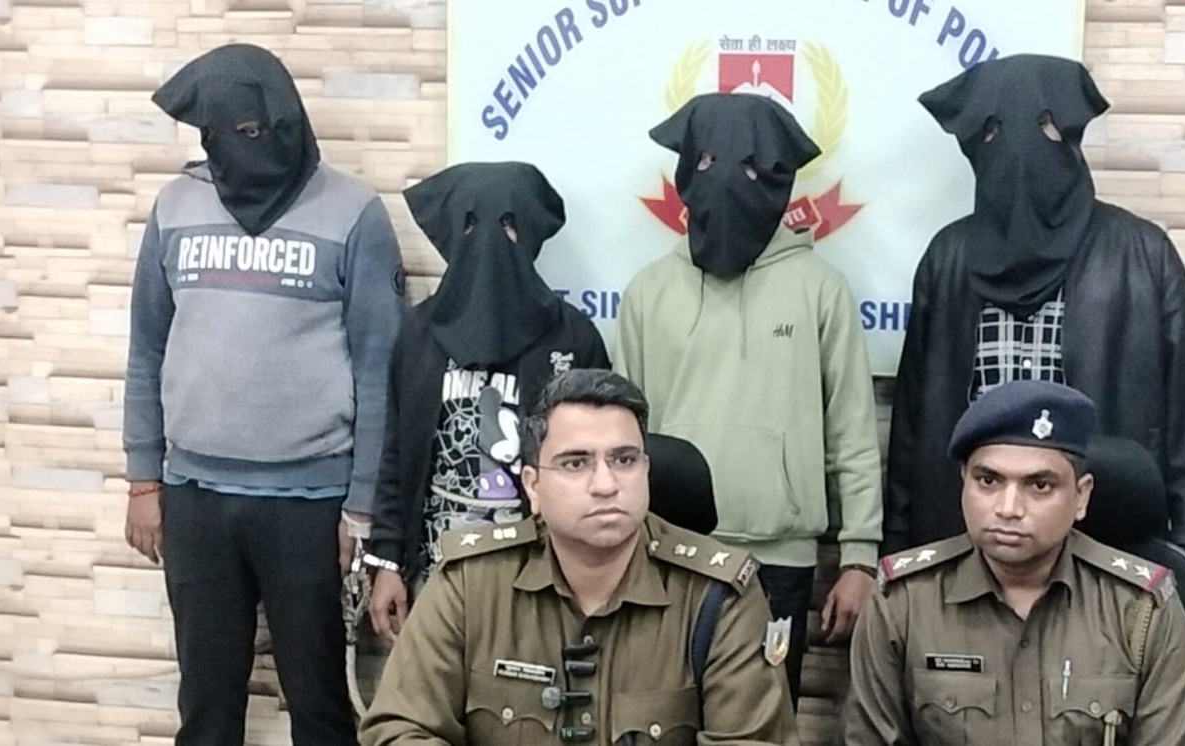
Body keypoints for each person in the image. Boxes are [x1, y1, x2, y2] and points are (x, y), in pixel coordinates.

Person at [122, 44, 403, 745]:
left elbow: (379, 370)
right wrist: (142, 479)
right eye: (228, 132)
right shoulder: (175, 206)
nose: (245, 144)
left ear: (286, 119)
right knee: (206, 708)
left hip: (310, 505)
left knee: (319, 707)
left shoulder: (354, 213)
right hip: (194, 498)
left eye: (256, 129)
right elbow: (148, 347)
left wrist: (361, 509)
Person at [885, 54, 1185, 570]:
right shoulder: (948, 258)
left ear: (1070, 136)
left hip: (1106, 544)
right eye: (993, 130)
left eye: (1044, 126)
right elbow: (913, 422)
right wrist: (899, 548)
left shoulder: (1141, 254)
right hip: (967, 545)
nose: (1019, 148)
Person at [360, 369, 800, 746]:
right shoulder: (470, 581)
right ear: (532, 486)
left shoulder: (719, 598)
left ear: (646, 471)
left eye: (624, 460)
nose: (605, 484)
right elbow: (399, 728)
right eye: (576, 463)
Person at [615, 92, 883, 704]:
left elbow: (851, 432)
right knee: (661, 718)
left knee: (766, 720)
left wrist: (859, 557)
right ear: (686, 169)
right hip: (666, 553)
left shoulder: (820, 289)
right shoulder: (648, 293)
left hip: (779, 563)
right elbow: (622, 440)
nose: (728, 182)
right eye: (708, 162)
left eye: (751, 167)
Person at [845, 380, 1185, 745]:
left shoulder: (1140, 609)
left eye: (1039, 486)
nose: (1008, 508)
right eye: (988, 480)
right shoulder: (903, 602)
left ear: (1081, 497)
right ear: (963, 483)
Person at [364, 161, 611, 641]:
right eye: (471, 225)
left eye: (509, 225)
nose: (491, 242)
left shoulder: (573, 337)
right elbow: (397, 455)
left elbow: (596, 464)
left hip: (542, 579)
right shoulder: (419, 334)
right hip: (435, 573)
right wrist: (388, 560)